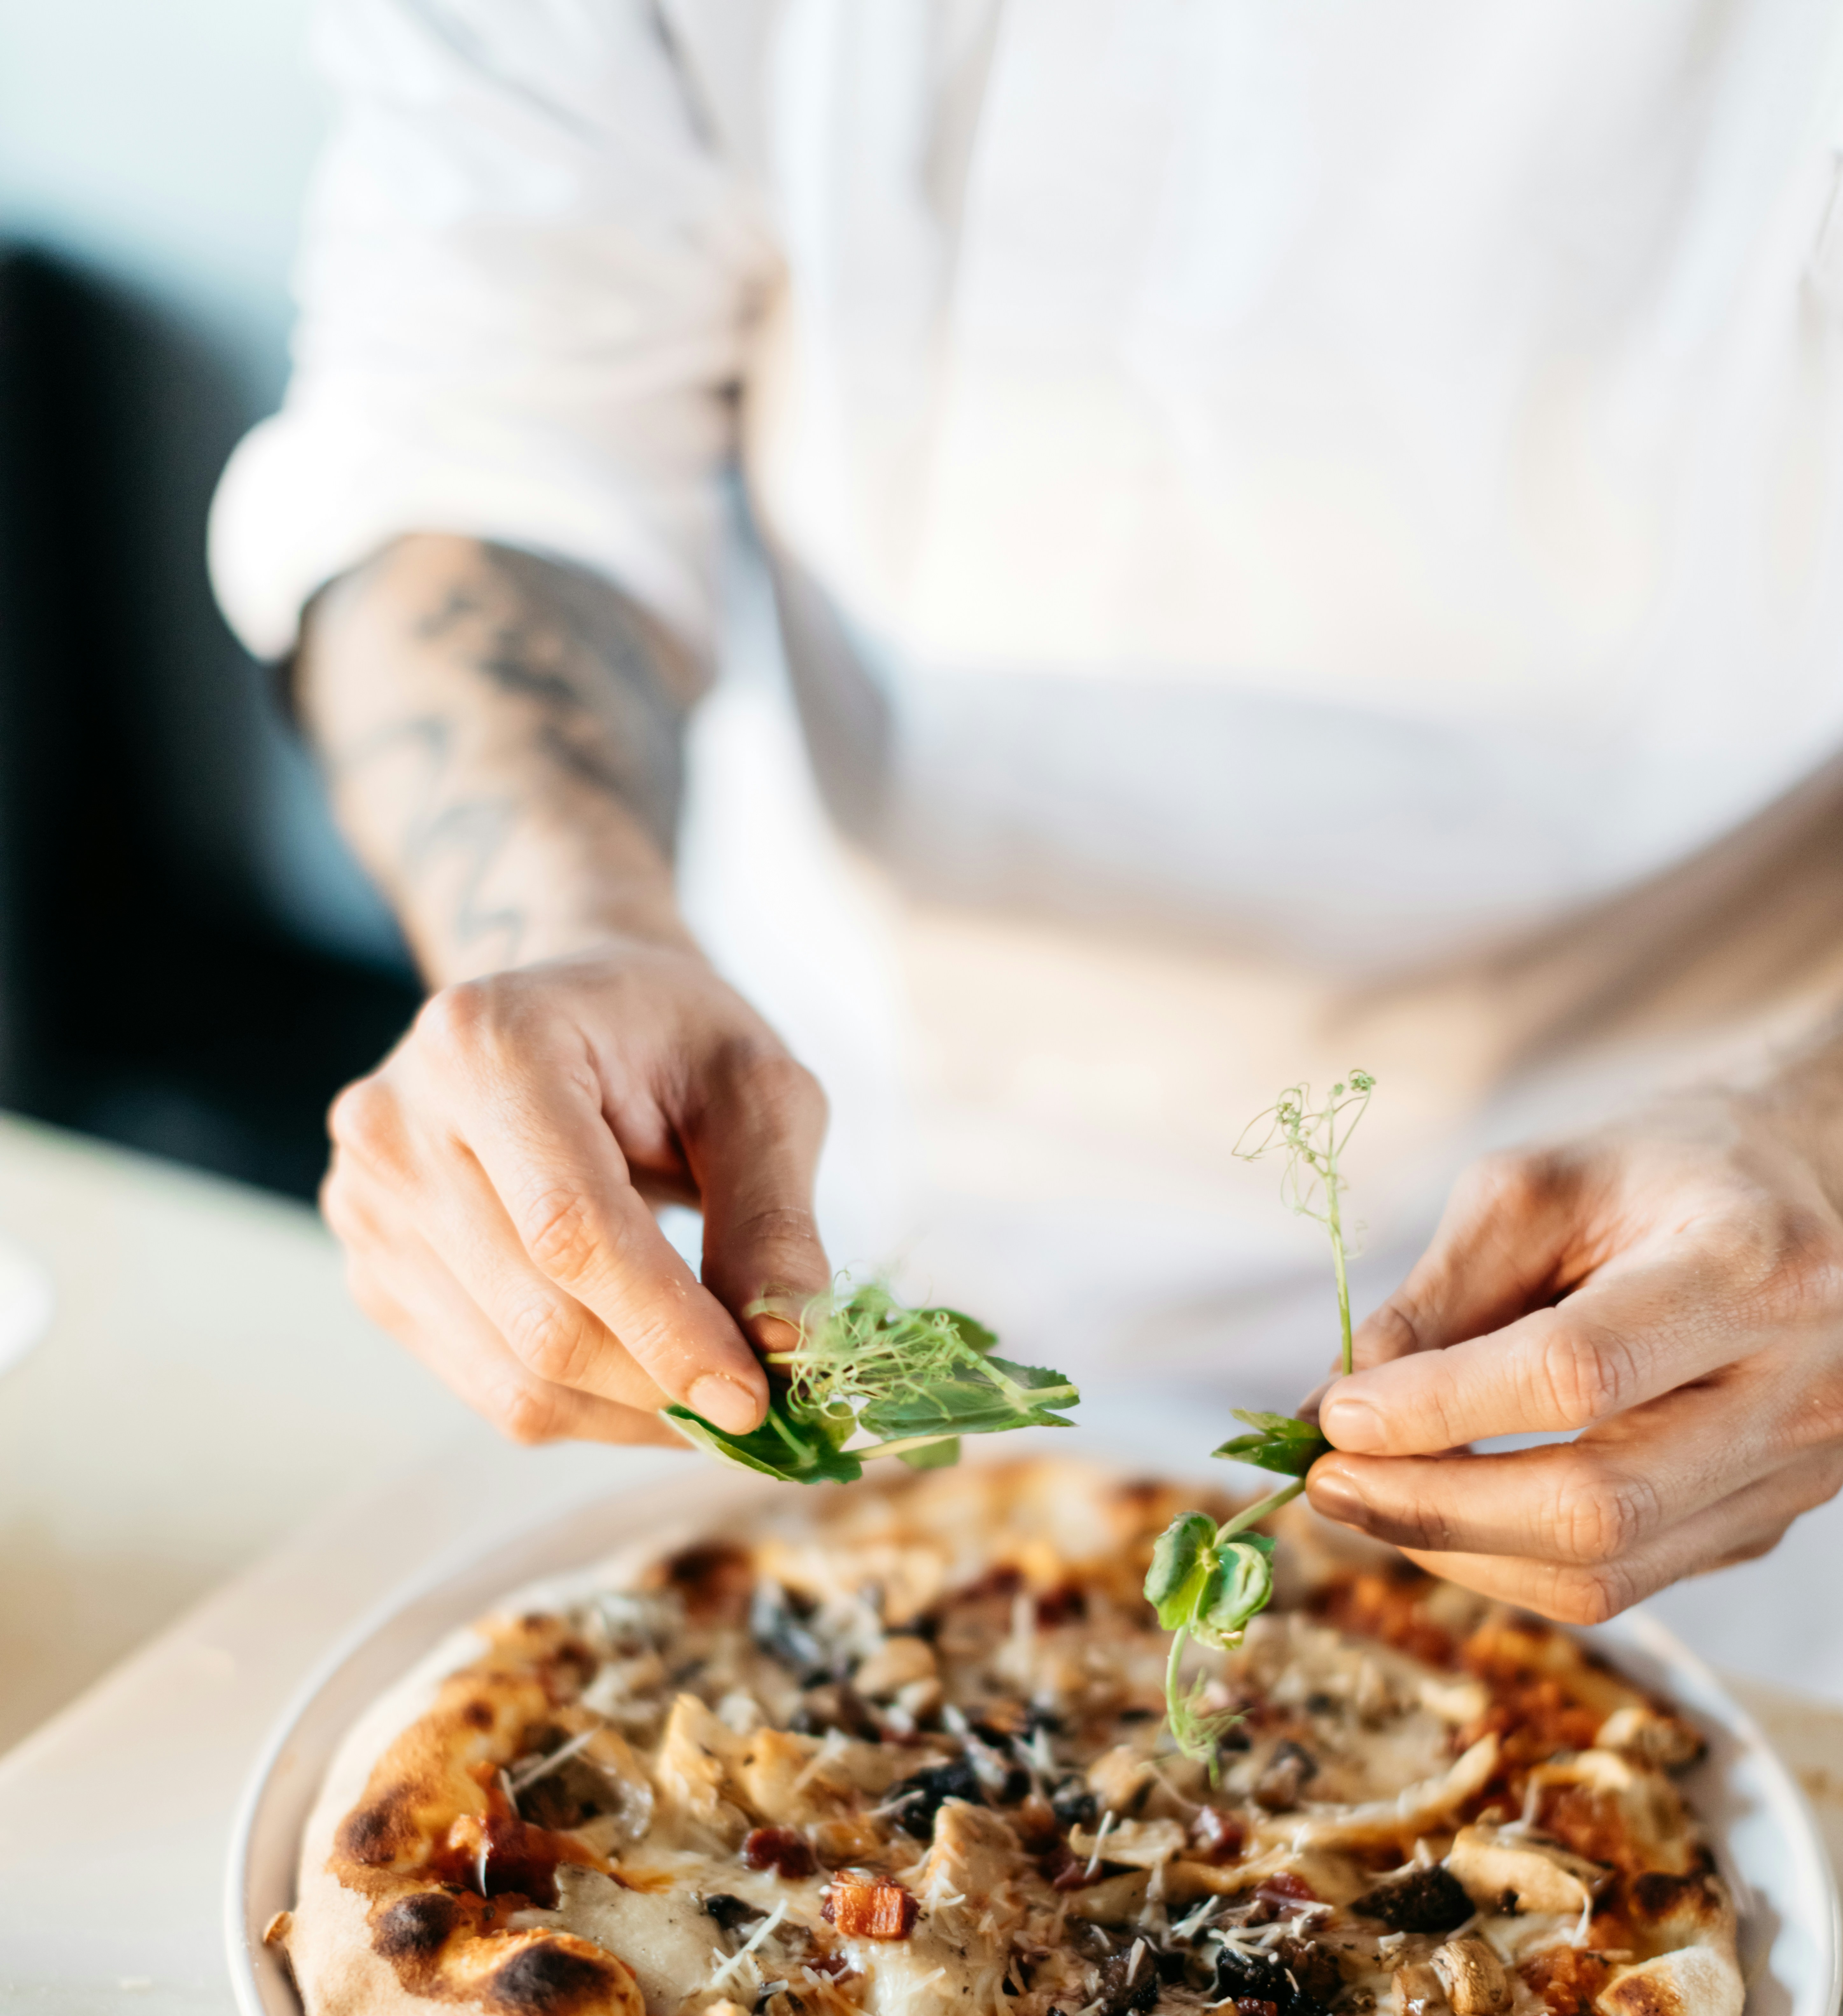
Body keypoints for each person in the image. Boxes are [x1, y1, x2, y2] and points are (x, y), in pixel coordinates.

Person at [211, 0, 1843, 1641]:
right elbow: (477, 430)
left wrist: (1818, 1149)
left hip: (1687, 1329)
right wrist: (565, 933)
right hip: (779, 1221)